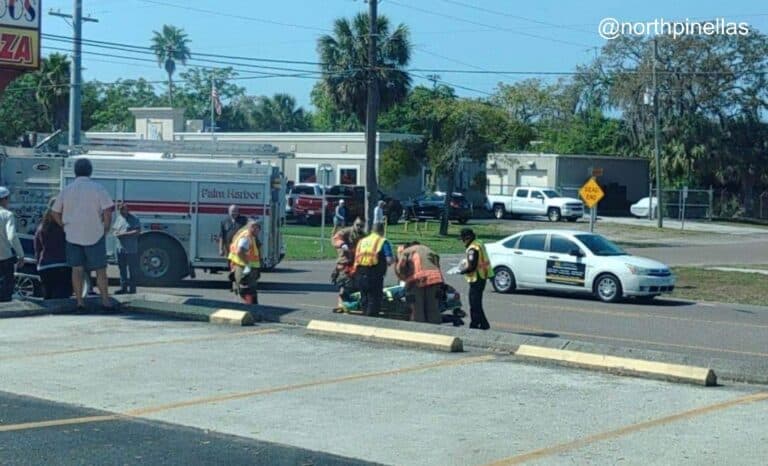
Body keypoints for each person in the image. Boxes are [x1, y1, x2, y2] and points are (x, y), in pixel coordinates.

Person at [51, 159, 115, 311]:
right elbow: (108, 211)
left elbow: (54, 211)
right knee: (100, 270)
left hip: (72, 235)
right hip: (95, 234)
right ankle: (105, 300)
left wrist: (63, 225)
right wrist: (105, 228)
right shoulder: (98, 188)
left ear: (75, 171)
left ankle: (80, 301)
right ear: (90, 171)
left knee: (77, 270)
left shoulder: (67, 190)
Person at [395, 241, 444, 324]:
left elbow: (400, 268)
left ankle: (419, 329)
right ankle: (435, 329)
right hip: (435, 280)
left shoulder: (407, 251)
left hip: (418, 280)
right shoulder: (430, 251)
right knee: (433, 308)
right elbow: (437, 267)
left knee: (417, 308)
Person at [352, 222, 394, 317]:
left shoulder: (362, 241)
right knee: (374, 299)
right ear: (382, 231)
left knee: (364, 299)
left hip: (360, 273)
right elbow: (389, 260)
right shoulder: (382, 241)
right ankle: (371, 321)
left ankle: (364, 318)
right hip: (374, 273)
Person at [34, 198, 72, 299]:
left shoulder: (42, 227)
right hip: (63, 264)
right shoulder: (65, 227)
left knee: (48, 297)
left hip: (45, 266)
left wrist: (38, 265)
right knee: (63, 297)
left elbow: (37, 250)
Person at [458, 228, 493, 330]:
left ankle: (475, 325)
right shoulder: (479, 243)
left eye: (463, 239)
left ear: (468, 238)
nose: (463, 242)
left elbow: (472, 266)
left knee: (474, 304)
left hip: (476, 278)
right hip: (483, 276)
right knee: (476, 303)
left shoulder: (472, 249)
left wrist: (461, 271)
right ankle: (483, 324)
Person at [331, 217, 366, 312]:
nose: (359, 227)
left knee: (355, 286)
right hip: (345, 263)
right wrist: (342, 244)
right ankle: (340, 305)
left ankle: (352, 305)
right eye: (357, 225)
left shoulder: (363, 236)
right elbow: (336, 238)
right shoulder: (346, 232)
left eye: (361, 226)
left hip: (357, 264)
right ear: (354, 224)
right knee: (344, 285)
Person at [228, 219, 262, 305]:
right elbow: (240, 251)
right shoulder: (247, 237)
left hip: (241, 266)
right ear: (251, 228)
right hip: (245, 268)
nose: (258, 230)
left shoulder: (246, 234)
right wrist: (247, 264)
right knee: (247, 290)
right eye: (256, 227)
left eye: (258, 227)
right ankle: (251, 309)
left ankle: (253, 308)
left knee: (248, 290)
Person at [0, 187, 25, 302]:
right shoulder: (7, 215)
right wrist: (21, 254)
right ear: (4, 199)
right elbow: (12, 236)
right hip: (5, 257)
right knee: (6, 287)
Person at [112, 202, 141, 295]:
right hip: (120, 248)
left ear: (127, 209)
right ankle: (123, 288)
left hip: (131, 249)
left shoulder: (134, 219)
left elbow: (137, 231)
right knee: (122, 269)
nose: (121, 212)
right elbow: (115, 229)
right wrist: (116, 233)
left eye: (122, 209)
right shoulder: (119, 218)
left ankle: (132, 289)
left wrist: (124, 234)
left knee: (132, 269)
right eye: (119, 210)